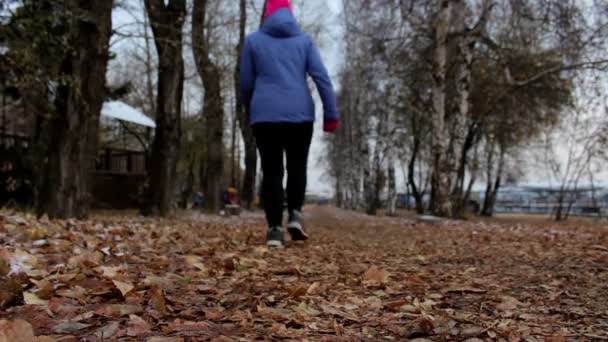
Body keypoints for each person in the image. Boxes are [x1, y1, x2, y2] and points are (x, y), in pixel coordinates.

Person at [240, 0, 339, 247]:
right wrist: (331, 115)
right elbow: (322, 78)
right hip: (300, 115)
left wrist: (251, 106)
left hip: (265, 116)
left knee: (272, 171)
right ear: (290, 13)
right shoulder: (304, 41)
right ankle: (295, 214)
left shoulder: (253, 41)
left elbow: (246, 84)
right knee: (297, 167)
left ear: (267, 14)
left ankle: (274, 229)